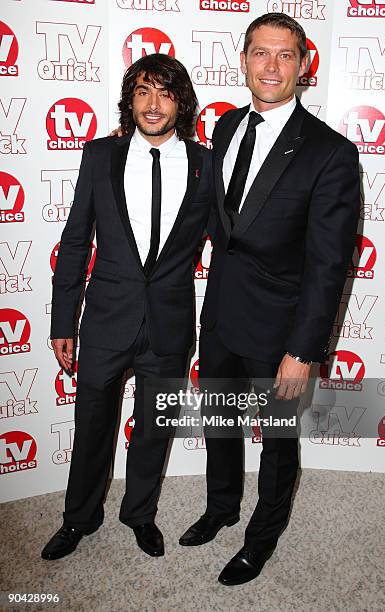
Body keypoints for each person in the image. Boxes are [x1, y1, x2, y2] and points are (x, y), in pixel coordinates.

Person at [179, 13, 360, 585]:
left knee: (278, 443)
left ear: (304, 64)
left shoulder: (330, 152)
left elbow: (329, 265)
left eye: (286, 55)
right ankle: (222, 506)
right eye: (261, 53)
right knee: (219, 422)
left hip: (283, 330)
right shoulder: (228, 127)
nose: (272, 66)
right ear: (244, 60)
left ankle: (262, 537)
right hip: (223, 314)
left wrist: (303, 352)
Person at [41, 53, 212, 561]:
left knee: (154, 429)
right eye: (142, 91)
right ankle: (78, 519)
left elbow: (229, 242)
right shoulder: (99, 157)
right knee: (92, 425)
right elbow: (75, 244)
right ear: (129, 101)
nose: (153, 104)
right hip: (105, 320)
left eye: (164, 92)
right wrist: (60, 322)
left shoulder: (206, 165)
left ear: (181, 101)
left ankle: (139, 514)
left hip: (170, 323)